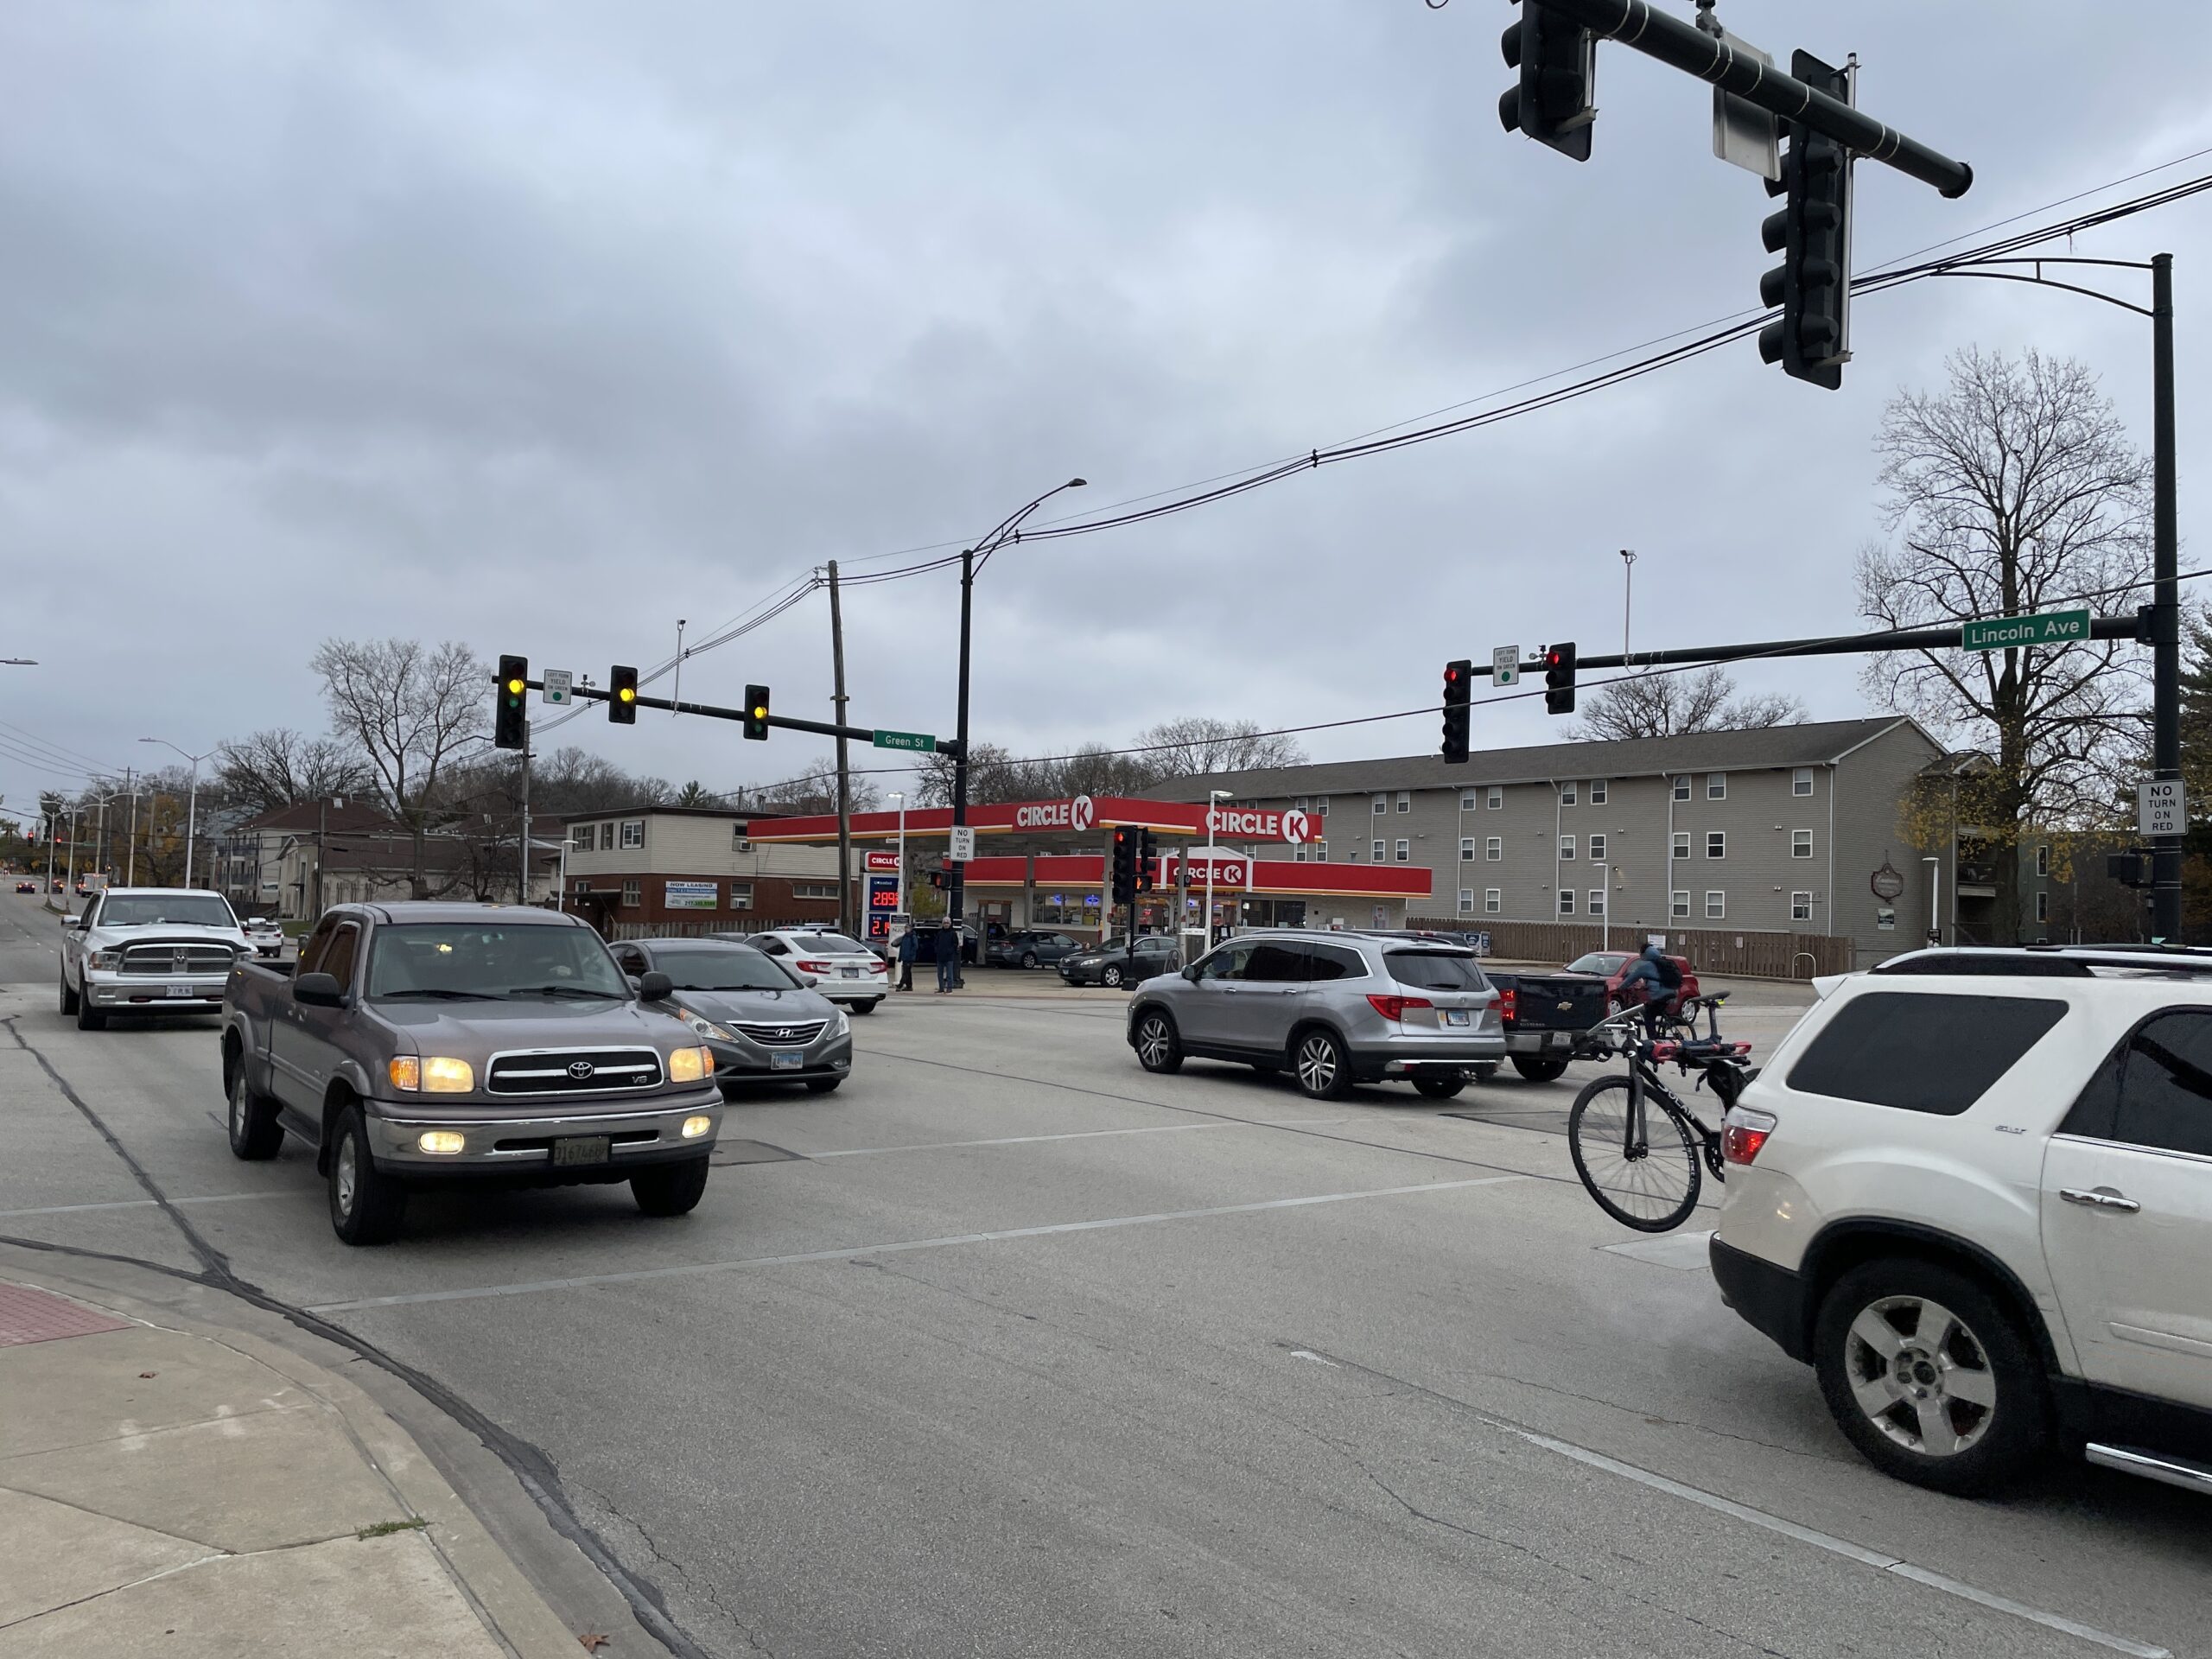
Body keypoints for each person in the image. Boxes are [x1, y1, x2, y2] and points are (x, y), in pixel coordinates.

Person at [1618, 943, 1684, 1032]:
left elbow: (1631, 979)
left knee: (1648, 1015)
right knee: (1658, 1010)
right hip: (1673, 992)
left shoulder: (1645, 966)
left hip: (1660, 995)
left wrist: (1620, 988)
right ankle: (1668, 1023)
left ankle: (1652, 1038)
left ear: (1644, 954)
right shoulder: (1664, 962)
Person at [933, 919, 959, 993]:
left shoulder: (953, 933)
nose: (946, 924)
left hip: (949, 957)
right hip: (940, 956)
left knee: (949, 974)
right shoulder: (940, 933)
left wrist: (950, 951)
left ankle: (949, 988)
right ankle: (941, 988)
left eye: (947, 923)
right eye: (944, 923)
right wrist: (937, 950)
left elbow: (955, 944)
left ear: (950, 924)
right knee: (939, 974)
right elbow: (936, 943)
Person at [895, 924, 918, 992]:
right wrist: (900, 957)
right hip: (904, 958)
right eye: (905, 928)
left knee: (905, 972)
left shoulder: (913, 936)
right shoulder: (904, 937)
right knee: (908, 972)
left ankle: (900, 985)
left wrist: (911, 955)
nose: (906, 929)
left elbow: (915, 946)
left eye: (907, 928)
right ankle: (909, 986)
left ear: (911, 929)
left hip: (909, 958)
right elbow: (902, 948)